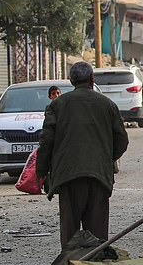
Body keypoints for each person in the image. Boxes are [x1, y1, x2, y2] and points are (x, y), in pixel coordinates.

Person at [37, 62, 130, 248]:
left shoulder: (58, 105)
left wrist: (41, 170)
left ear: (71, 81)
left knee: (70, 235)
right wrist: (106, 158)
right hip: (98, 177)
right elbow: (121, 140)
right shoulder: (107, 104)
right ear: (92, 79)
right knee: (97, 234)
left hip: (68, 176)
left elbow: (46, 141)